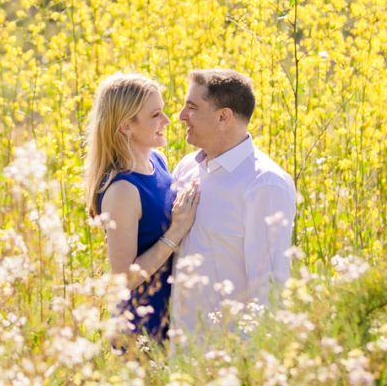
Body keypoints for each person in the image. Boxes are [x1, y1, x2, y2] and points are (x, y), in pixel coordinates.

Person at [171, 68, 296, 335]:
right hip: (179, 353)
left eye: (192, 108)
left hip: (228, 358)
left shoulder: (264, 184)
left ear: (223, 116)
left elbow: (270, 289)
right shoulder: (186, 168)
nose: (181, 116)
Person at [84, 72, 199, 343]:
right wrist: (176, 231)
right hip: (141, 326)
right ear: (126, 126)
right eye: (155, 114)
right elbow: (123, 279)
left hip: (174, 313)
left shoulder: (157, 161)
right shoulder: (122, 191)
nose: (167, 120)